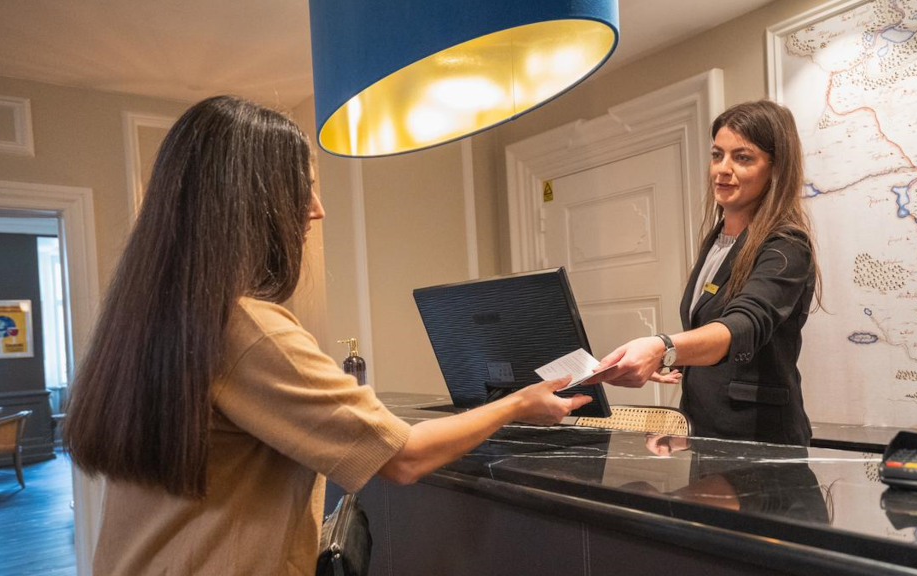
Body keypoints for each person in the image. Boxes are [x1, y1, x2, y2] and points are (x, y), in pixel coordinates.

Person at [63, 95, 589, 576]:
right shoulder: (248, 328)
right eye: (303, 186)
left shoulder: (153, 318)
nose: (316, 208)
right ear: (252, 199)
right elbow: (403, 457)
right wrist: (519, 403)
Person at [595, 100, 821, 446]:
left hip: (762, 444)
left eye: (742, 158)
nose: (722, 170)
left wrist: (663, 347)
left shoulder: (786, 244)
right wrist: (676, 369)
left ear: (775, 169)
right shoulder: (718, 240)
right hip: (707, 435)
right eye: (718, 155)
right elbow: (717, 350)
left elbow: (742, 327)